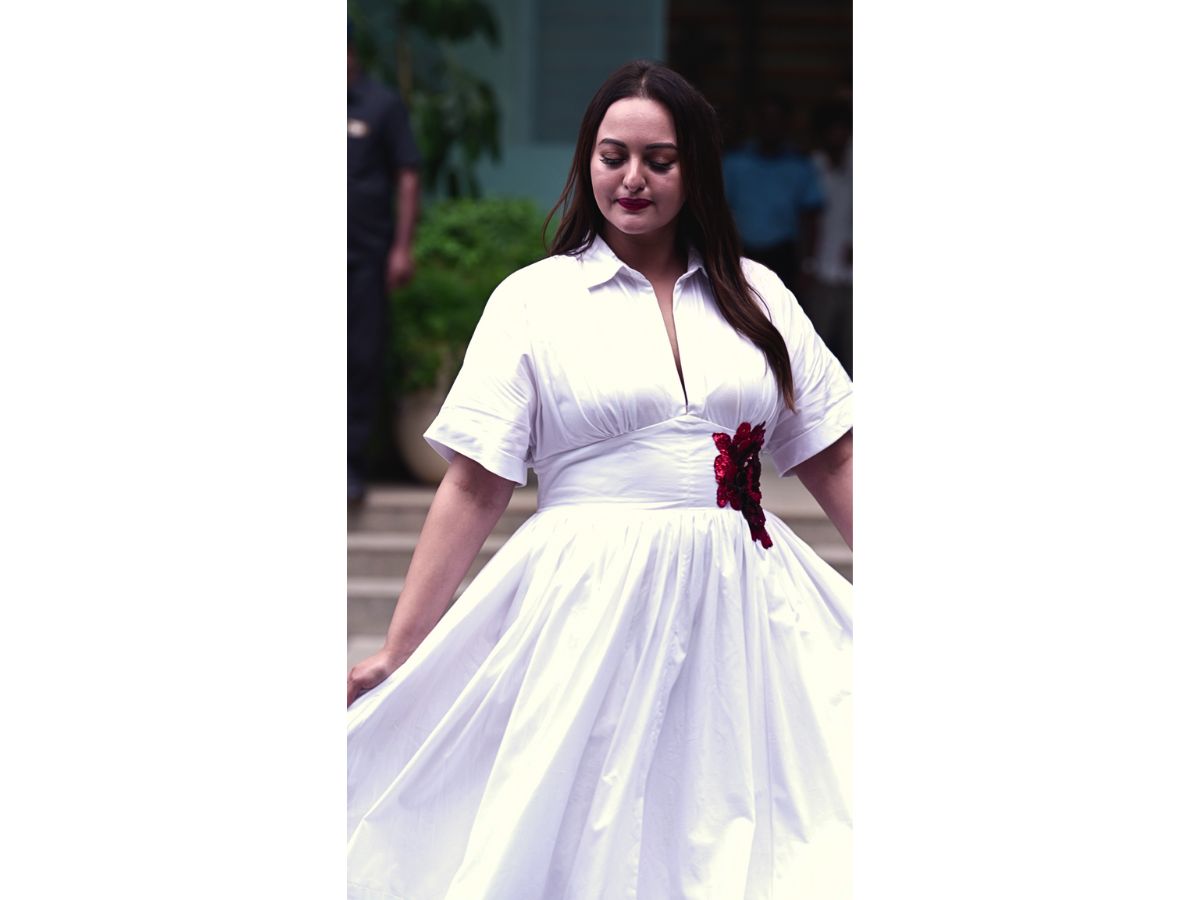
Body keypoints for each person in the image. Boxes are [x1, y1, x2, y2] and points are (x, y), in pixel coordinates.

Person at [347, 60, 853, 898]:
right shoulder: (534, 299)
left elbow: (834, 454)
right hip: (584, 603)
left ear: (697, 168)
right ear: (587, 161)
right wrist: (402, 650)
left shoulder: (759, 294)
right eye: (613, 156)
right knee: (584, 826)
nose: (633, 178)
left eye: (661, 159)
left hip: (744, 598)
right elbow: (474, 484)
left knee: (762, 821)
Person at [347, 23, 421, 505]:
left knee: (359, 359)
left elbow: (408, 176)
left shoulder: (381, 105)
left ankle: (349, 466)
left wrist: (400, 248)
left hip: (363, 257)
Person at [722, 93, 825, 297]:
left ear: (787, 124)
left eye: (777, 119)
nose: (771, 125)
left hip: (784, 256)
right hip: (741, 253)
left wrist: (808, 264)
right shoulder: (734, 163)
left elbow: (810, 219)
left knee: (782, 313)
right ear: (756, 122)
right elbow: (719, 213)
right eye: (765, 118)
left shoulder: (800, 165)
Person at [804, 99, 853, 376]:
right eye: (832, 130)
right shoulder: (811, 166)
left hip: (852, 274)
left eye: (843, 130)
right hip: (820, 270)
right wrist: (807, 264)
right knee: (819, 350)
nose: (838, 136)